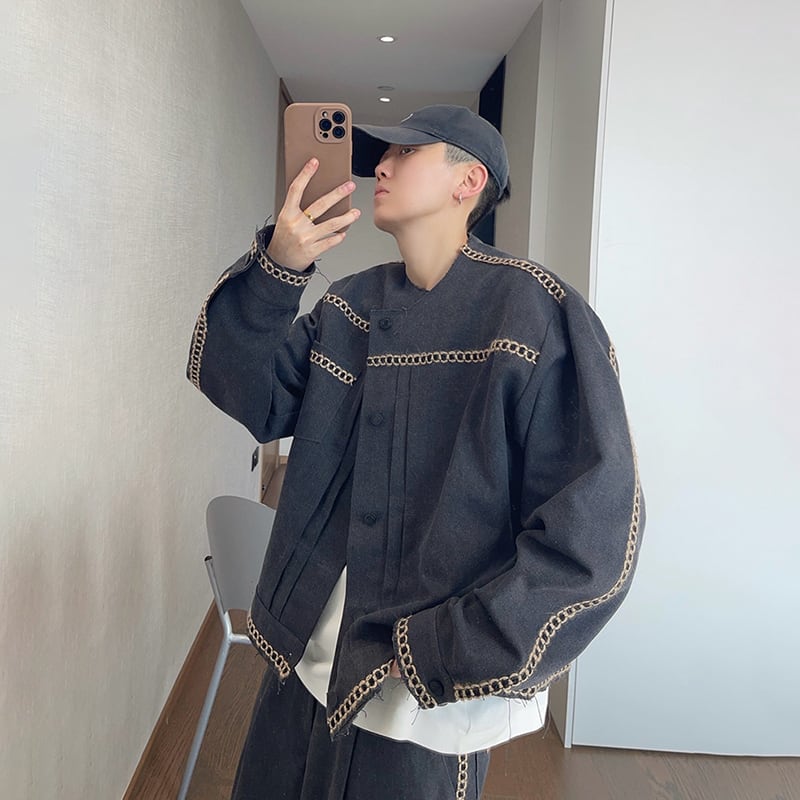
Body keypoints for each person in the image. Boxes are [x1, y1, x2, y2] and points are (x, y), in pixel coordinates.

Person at [187, 105, 644, 800]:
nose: (383, 165)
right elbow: (250, 392)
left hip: (423, 703)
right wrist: (280, 268)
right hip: (302, 662)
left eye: (408, 153)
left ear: (469, 181)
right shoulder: (350, 306)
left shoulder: (535, 313)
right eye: (384, 153)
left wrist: (443, 649)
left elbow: (595, 537)